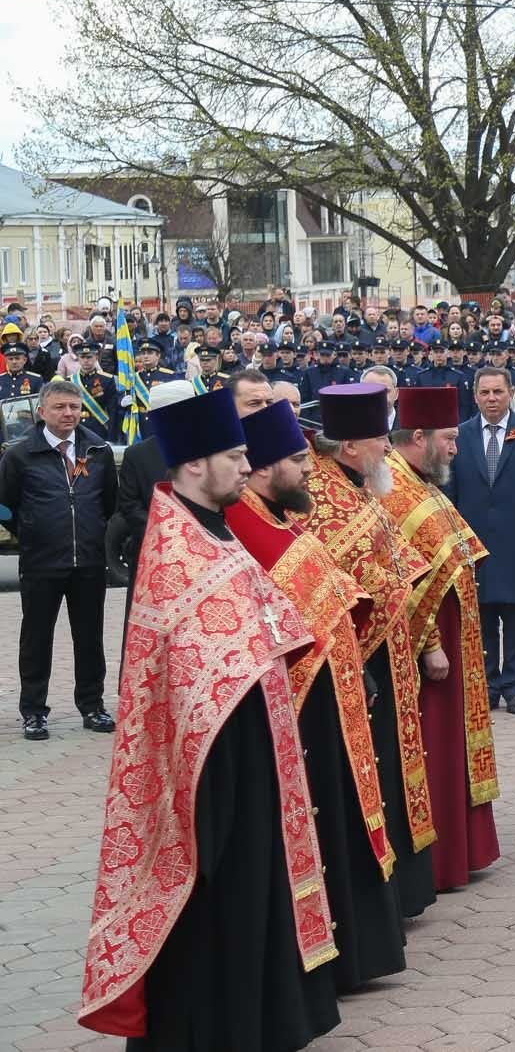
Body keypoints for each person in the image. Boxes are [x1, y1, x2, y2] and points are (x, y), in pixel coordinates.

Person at [77, 391, 341, 1051]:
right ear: (195, 463)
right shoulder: (176, 551)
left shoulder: (210, 529)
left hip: (252, 761)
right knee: (216, 917)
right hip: (213, 778)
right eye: (234, 454)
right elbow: (192, 683)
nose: (246, 465)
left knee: (254, 906)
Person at [228, 400, 408, 994]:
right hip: (306, 705)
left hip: (337, 696)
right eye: (295, 460)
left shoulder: (276, 514)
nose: (309, 469)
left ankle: (358, 952)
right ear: (258, 468)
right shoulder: (247, 521)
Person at [301, 382, 441, 920]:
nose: (389, 448)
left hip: (389, 646)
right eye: (380, 439)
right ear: (351, 446)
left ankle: (403, 887)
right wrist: (388, 583)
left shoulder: (360, 485)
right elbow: (333, 573)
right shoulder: (321, 498)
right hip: (357, 653)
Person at [382, 386, 503, 892]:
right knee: (433, 747)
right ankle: (440, 857)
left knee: (452, 744)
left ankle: (463, 848)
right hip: (427, 647)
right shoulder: (394, 488)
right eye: (450, 439)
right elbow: (400, 579)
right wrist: (430, 643)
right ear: (418, 437)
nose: (457, 448)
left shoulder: (419, 480)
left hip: (455, 640)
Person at [2, 379, 117, 741]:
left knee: (90, 637)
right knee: (36, 639)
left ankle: (92, 705)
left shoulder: (97, 450)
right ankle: (34, 711)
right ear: (42, 412)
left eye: (74, 407)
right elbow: (6, 505)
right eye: (60, 407)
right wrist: (33, 531)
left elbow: (108, 504)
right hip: (41, 563)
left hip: (88, 562)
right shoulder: (21, 455)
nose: (69, 414)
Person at [452, 366, 515, 711]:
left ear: (510, 393)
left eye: (498, 392)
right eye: (485, 393)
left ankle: (514, 687)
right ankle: (487, 685)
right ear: (475, 396)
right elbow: (449, 495)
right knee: (480, 619)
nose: (492, 399)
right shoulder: (460, 436)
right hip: (474, 544)